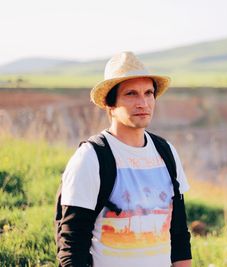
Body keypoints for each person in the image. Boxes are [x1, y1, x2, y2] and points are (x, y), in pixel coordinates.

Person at [57, 51, 192, 267]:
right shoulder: (91, 158)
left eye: (148, 93)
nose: (143, 103)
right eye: (131, 94)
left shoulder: (167, 152)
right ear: (110, 104)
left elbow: (179, 234)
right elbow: (72, 245)